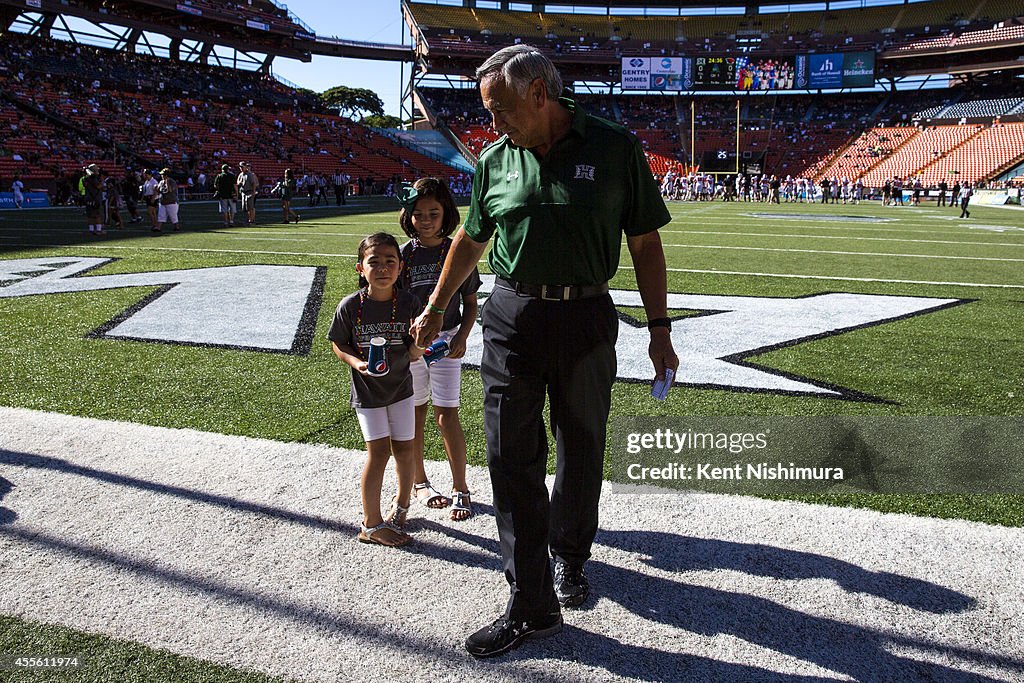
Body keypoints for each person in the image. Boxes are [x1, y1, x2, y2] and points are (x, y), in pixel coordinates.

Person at [410, 44, 678, 659]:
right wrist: (433, 309)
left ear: (539, 94)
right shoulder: (495, 162)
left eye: (500, 108)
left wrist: (660, 327)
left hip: (586, 315)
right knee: (509, 456)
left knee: (581, 446)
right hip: (511, 316)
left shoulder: (614, 147)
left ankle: (571, 554)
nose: (492, 123)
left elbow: (644, 243)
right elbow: (470, 240)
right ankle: (530, 600)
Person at [327, 232, 423, 548]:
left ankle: (402, 505)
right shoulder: (350, 306)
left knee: (406, 450)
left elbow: (412, 351)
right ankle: (370, 523)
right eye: (374, 262)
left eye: (390, 261)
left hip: (401, 390)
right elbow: (338, 343)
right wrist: (355, 362)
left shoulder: (409, 302)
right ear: (360, 268)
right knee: (379, 453)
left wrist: (421, 344)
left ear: (400, 266)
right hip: (368, 393)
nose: (382, 268)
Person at [396, 178, 480, 522]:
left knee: (447, 415)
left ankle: (461, 486)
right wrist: (408, 343)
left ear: (446, 213)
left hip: (446, 343)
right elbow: (396, 304)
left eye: (434, 212)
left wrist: (463, 335)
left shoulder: (456, 250)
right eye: (418, 214)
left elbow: (472, 302)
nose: (426, 219)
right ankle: (420, 481)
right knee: (415, 414)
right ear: (408, 216)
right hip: (412, 346)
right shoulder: (404, 254)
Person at [154, 168, 179, 233]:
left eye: (163, 174)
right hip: (163, 202)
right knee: (161, 216)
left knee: (173, 216)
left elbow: (170, 190)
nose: (161, 176)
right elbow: (158, 190)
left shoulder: (172, 181)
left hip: (171, 202)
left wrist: (167, 183)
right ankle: (158, 227)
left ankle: (176, 227)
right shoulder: (161, 182)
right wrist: (156, 188)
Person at [82, 164, 105, 236]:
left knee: (90, 215)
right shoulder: (93, 178)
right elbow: (98, 186)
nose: (98, 170)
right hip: (95, 198)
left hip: (88, 198)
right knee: (97, 215)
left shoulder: (85, 178)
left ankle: (91, 230)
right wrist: (102, 182)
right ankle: (98, 230)